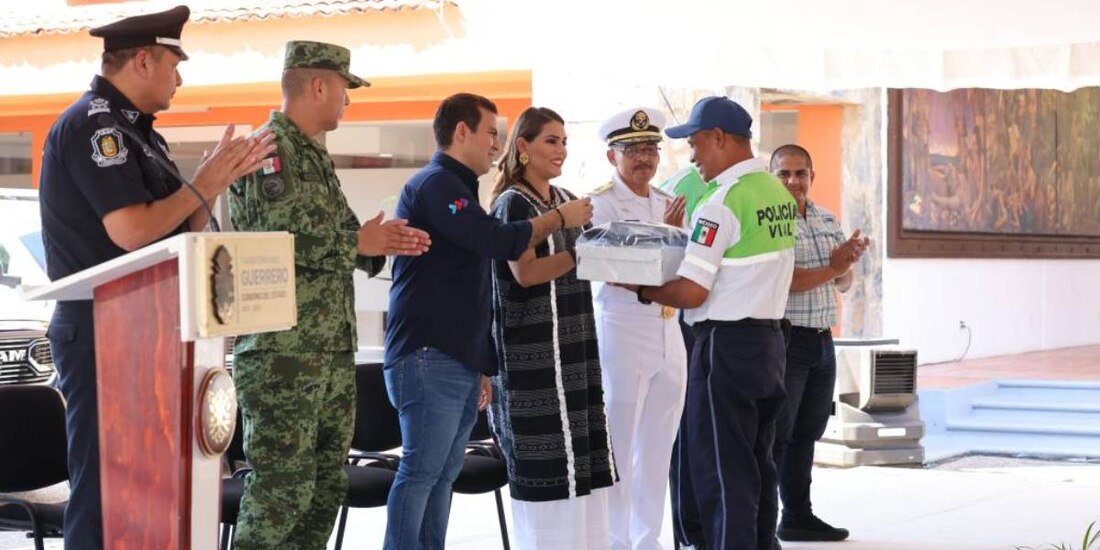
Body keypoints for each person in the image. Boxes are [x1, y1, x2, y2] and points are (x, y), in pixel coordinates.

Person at [37, 7, 274, 548]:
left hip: (149, 324)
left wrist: (210, 185)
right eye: (173, 64)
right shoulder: (96, 126)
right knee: (105, 490)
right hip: (103, 328)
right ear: (143, 60)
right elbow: (130, 231)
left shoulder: (139, 133)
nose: (179, 79)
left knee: (150, 487)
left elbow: (177, 231)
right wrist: (201, 184)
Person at [225, 41, 429, 549]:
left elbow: (339, 239)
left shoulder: (314, 155)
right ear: (318, 85)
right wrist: (358, 242)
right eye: (344, 89)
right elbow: (274, 242)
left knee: (323, 488)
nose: (347, 101)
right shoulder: (269, 150)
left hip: (329, 350)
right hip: (282, 355)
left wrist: (378, 243)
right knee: (280, 494)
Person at [383, 94, 593, 550]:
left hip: (455, 356)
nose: (496, 145)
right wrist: (558, 219)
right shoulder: (437, 184)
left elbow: (469, 285)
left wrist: (478, 362)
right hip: (426, 354)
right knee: (421, 472)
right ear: (462, 132)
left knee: (441, 476)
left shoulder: (458, 189)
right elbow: (493, 240)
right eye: (490, 134)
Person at [617, 96, 797, 550]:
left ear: (720, 138)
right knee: (759, 464)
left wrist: (638, 287)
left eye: (696, 144)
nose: (692, 156)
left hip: (725, 348)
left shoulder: (721, 202)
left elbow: (692, 292)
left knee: (721, 472)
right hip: (771, 343)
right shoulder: (777, 193)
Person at [487, 106, 614, 549]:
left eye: (563, 141)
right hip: (532, 358)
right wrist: (580, 253)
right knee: (547, 472)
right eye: (550, 141)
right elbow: (526, 273)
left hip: (575, 346)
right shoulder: (512, 203)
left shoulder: (566, 198)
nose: (560, 150)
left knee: (582, 466)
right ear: (523, 146)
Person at [588, 107, 687, 550]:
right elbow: (608, 266)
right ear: (613, 156)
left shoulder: (668, 202)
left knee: (658, 446)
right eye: (632, 150)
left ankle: (649, 539)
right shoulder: (600, 203)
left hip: (669, 330)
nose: (644, 158)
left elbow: (685, 269)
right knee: (620, 444)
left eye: (650, 148)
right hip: (624, 329)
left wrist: (672, 240)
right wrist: (663, 239)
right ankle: (616, 541)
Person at [769, 144, 868, 543]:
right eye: (784, 174)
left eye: (801, 173)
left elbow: (842, 283)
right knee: (778, 434)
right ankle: (763, 519)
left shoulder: (828, 218)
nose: (794, 181)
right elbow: (788, 281)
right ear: (771, 175)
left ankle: (797, 515)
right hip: (788, 340)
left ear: (812, 176)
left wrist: (847, 265)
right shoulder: (770, 221)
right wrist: (834, 266)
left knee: (807, 432)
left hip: (823, 341)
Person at [658, 164, 714, 550]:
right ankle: (690, 533)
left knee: (712, 435)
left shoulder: (738, 187)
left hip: (721, 326)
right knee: (688, 433)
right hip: (684, 323)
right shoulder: (680, 187)